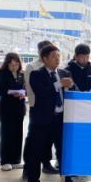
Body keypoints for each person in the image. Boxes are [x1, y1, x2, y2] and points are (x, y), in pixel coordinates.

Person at [25, 45, 75, 182]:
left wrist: (71, 86)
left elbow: (74, 91)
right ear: (44, 59)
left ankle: (67, 181)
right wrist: (59, 84)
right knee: (36, 151)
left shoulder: (65, 73)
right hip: (42, 121)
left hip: (61, 120)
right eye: (53, 56)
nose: (57, 59)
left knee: (64, 152)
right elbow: (41, 92)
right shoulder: (36, 74)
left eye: (59, 56)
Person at [23, 40, 58, 174]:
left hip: (52, 109)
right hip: (37, 106)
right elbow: (31, 88)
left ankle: (46, 163)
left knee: (48, 139)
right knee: (33, 140)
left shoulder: (55, 68)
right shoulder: (32, 67)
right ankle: (28, 167)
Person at [0, 53, 26, 171]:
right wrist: (12, 92)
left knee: (18, 134)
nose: (14, 67)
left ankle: (16, 160)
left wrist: (23, 93)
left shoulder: (21, 74)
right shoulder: (2, 74)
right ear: (7, 64)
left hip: (19, 108)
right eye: (12, 65)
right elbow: (1, 90)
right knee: (7, 134)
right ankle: (5, 161)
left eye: (16, 64)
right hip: (7, 109)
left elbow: (26, 88)